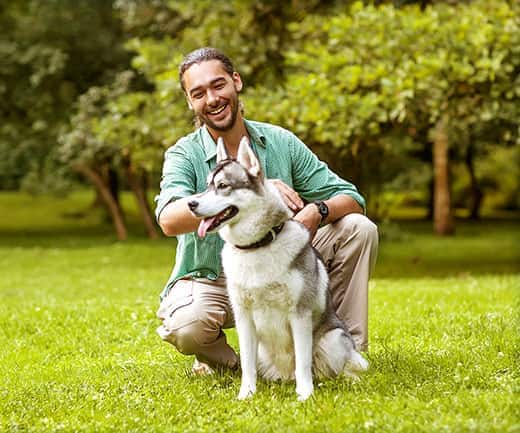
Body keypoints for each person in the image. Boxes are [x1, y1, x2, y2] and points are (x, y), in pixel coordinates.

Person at [155, 47, 378, 375]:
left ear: (236, 81)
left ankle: (343, 351)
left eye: (218, 85)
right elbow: (169, 220)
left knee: (359, 228)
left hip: (281, 267)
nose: (212, 99)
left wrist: (316, 211)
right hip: (214, 278)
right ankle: (236, 365)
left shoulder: (280, 142)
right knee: (188, 327)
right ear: (190, 102)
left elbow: (351, 197)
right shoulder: (184, 153)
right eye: (198, 93)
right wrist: (253, 188)